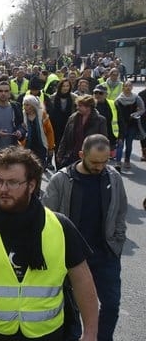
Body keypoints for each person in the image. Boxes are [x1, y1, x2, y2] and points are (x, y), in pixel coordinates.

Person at [0, 147, 99, 341]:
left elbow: (82, 281)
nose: (3, 189)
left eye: (12, 182)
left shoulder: (60, 227)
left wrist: (90, 333)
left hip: (47, 333)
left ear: (31, 185)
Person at [43, 134, 126, 340]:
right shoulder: (61, 180)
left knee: (111, 304)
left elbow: (120, 212)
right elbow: (47, 217)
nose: (100, 167)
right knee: (73, 308)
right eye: (95, 162)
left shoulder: (113, 177)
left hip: (105, 255)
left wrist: (117, 241)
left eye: (105, 161)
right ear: (82, 155)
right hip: (72, 258)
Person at [56, 95, 107, 168]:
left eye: (80, 106)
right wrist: (60, 153)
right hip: (71, 155)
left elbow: (103, 141)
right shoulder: (72, 118)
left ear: (88, 107)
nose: (77, 108)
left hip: (89, 157)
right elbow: (65, 137)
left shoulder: (100, 120)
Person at [114, 81, 145, 170]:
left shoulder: (136, 98)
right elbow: (115, 113)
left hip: (132, 124)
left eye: (130, 86)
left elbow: (142, 109)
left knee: (129, 143)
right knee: (120, 144)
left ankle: (127, 160)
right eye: (126, 86)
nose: (128, 87)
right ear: (123, 88)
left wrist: (136, 114)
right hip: (120, 125)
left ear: (132, 87)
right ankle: (118, 162)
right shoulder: (118, 100)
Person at [21, 95, 55, 169]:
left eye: (27, 105)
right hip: (27, 147)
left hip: (41, 146)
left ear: (33, 105)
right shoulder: (21, 115)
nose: (24, 107)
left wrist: (51, 147)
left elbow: (50, 132)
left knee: (39, 168)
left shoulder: (42, 114)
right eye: (24, 104)